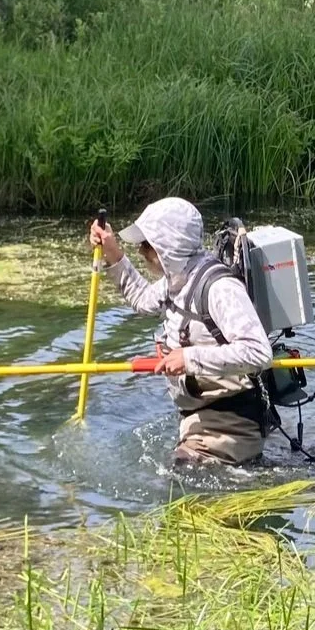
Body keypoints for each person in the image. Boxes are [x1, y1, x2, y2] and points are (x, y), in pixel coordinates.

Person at [89, 197, 275, 466]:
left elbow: (258, 352)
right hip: (199, 416)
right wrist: (112, 253)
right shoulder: (178, 279)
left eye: (146, 244)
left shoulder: (221, 288)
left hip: (231, 424)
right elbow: (142, 299)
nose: (140, 251)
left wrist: (188, 358)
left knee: (175, 479)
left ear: (168, 246)